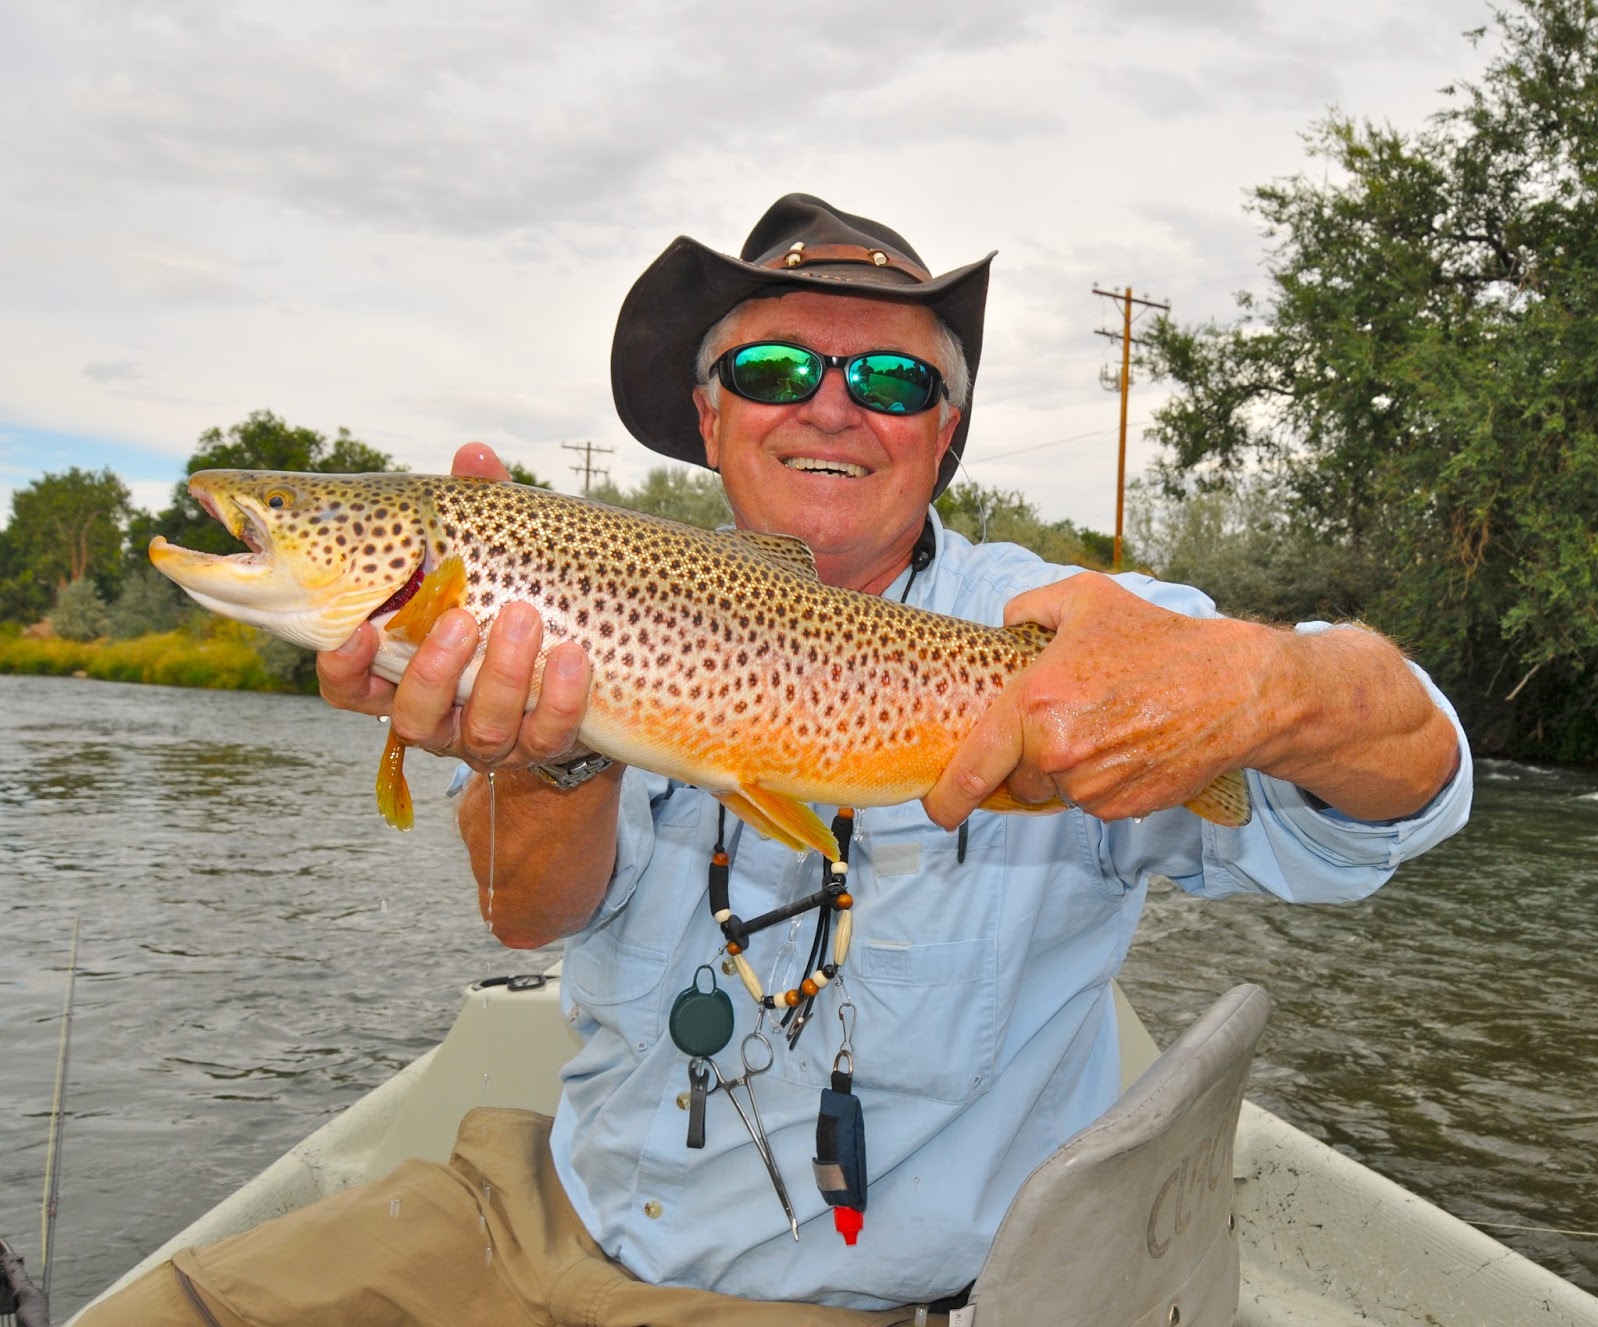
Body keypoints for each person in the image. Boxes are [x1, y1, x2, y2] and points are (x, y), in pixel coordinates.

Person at [81, 194, 1470, 1326]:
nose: (827, 407)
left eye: (887, 379)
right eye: (770, 370)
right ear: (708, 418)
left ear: (945, 432)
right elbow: (526, 916)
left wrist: (1268, 689)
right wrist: (545, 765)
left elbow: (1412, 788)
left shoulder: (1072, 634)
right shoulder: (526, 605)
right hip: (534, 1221)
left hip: (868, 1301)